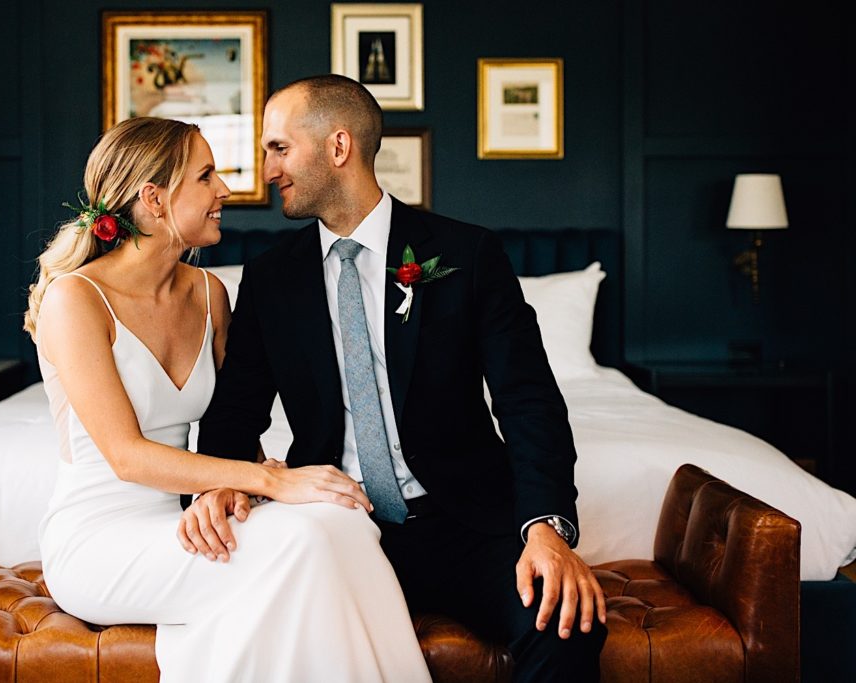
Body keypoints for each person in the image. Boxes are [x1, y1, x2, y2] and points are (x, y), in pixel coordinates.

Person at [184, 75, 608, 681]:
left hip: (466, 522)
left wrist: (545, 527)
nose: (267, 167)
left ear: (338, 147)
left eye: (279, 148)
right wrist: (214, 485)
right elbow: (235, 411)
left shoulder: (468, 254)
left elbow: (528, 399)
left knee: (567, 625)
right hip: (334, 528)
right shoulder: (271, 279)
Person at [24, 116, 431, 682]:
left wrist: (226, 486)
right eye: (207, 176)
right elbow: (127, 455)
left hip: (187, 518)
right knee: (304, 548)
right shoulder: (77, 300)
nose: (225, 191)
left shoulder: (210, 294)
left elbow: (235, 421)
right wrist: (268, 480)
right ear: (155, 198)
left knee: (341, 519)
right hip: (101, 538)